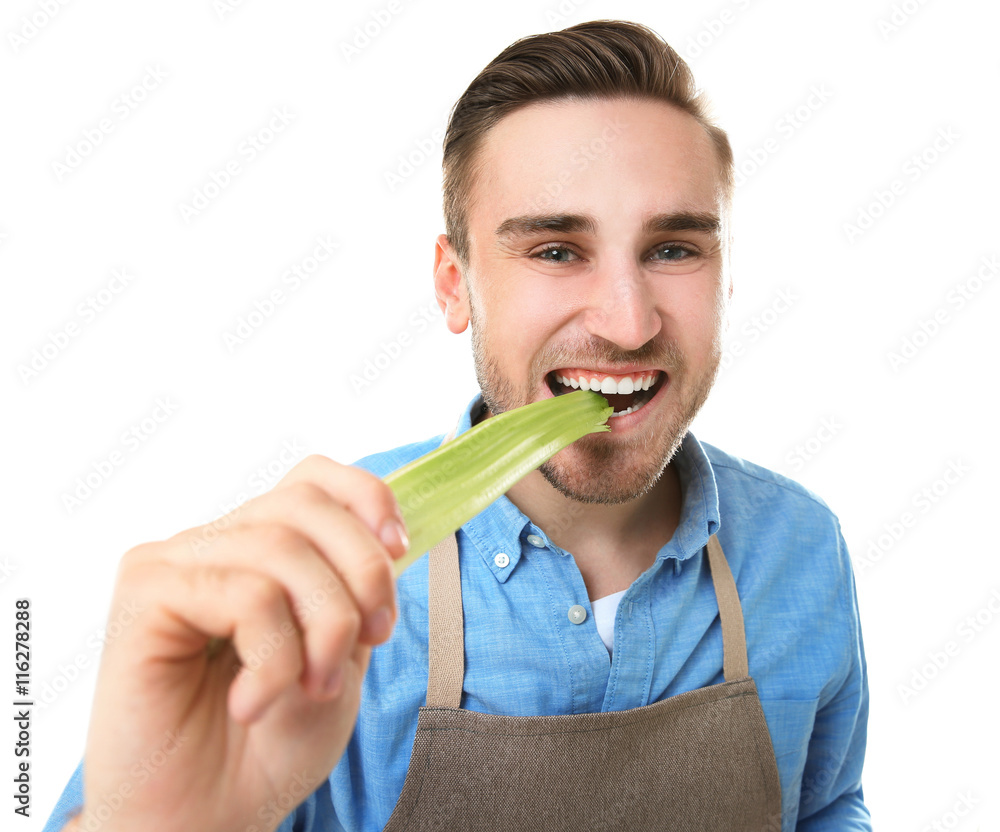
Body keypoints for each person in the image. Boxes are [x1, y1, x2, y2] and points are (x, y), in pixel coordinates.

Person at [44, 19, 871, 832]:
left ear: (726, 275)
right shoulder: (320, 580)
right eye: (555, 250)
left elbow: (829, 806)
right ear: (454, 284)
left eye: (674, 249)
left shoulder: (802, 548)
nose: (628, 324)